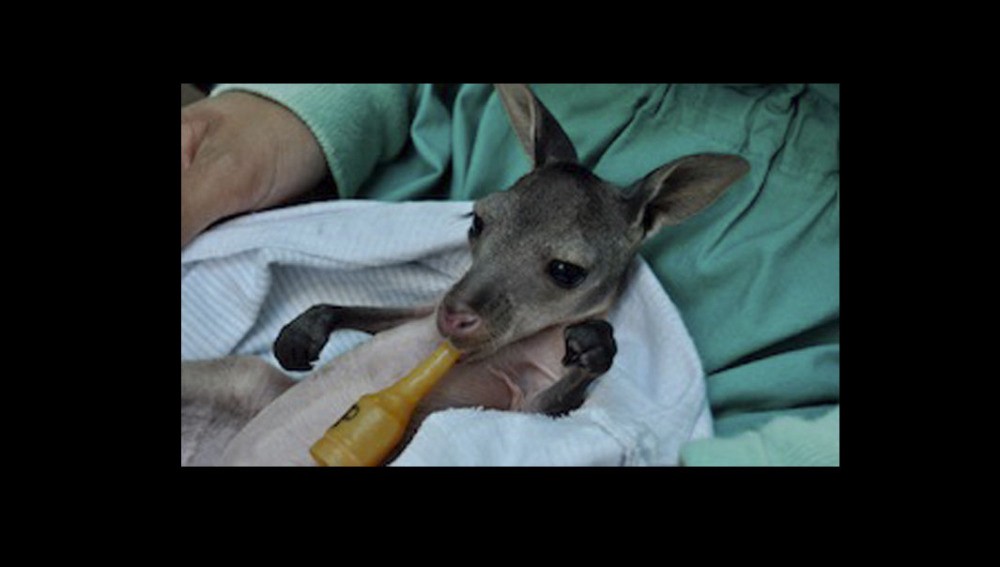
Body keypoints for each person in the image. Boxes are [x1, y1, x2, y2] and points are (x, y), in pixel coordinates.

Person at [181, 84, 840, 465]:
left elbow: (540, 424)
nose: (463, 303)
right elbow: (407, 319)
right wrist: (328, 314)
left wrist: (584, 369)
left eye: (560, 271)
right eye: (481, 230)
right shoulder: (465, 296)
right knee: (246, 378)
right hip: (259, 411)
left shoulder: (557, 345)